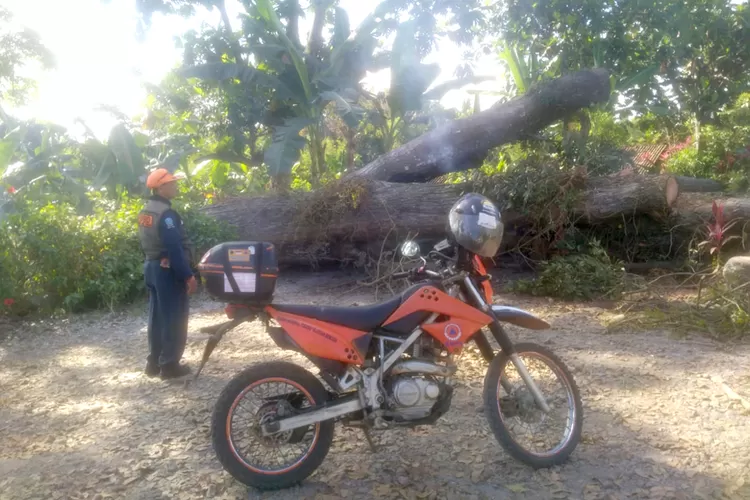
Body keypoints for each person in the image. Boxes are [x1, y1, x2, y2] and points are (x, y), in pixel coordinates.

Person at [137, 167, 198, 379]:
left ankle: (154, 363)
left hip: (151, 267)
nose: (175, 185)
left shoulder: (146, 210)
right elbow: (174, 248)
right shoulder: (167, 215)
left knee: (157, 317)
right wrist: (187, 275)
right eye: (172, 183)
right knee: (174, 317)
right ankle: (170, 365)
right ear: (161, 188)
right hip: (167, 270)